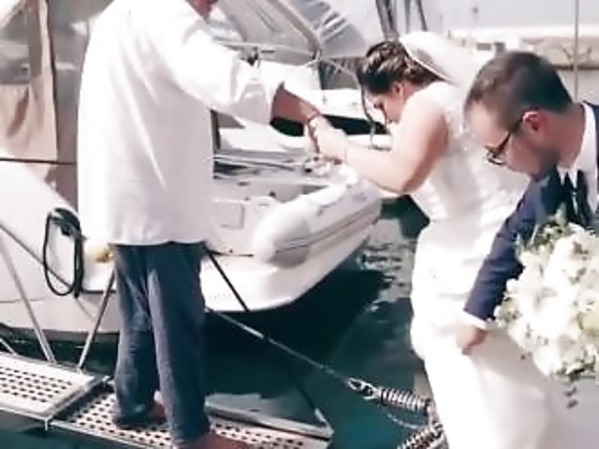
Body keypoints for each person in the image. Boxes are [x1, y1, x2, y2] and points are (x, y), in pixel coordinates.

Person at [76, 1, 332, 448]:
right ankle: (192, 434)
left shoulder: (121, 12)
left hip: (119, 193)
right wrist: (307, 110)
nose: (213, 4)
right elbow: (230, 81)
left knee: (140, 310)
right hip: (156, 199)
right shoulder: (168, 14)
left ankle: (132, 402)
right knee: (178, 318)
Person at [312, 32, 570, 449]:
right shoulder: (454, 98)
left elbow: (403, 175)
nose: (384, 117)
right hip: (487, 237)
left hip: (471, 248)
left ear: (398, 87)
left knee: (476, 375)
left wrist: (339, 147)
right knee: (507, 370)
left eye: (380, 105)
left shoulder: (426, 103)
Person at [459, 50, 599, 447]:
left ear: (534, 123)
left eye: (498, 151)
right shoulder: (552, 174)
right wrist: (474, 315)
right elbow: (515, 233)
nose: (501, 163)